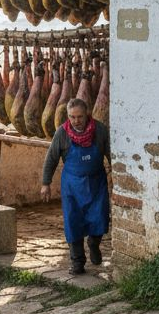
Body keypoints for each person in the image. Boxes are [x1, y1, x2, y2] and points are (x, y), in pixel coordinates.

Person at [40, 97, 110, 275]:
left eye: (79, 116)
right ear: (68, 116)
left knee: (100, 218)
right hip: (72, 186)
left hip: (97, 183)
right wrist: (45, 183)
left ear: (87, 114)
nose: (76, 121)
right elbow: (51, 158)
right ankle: (77, 261)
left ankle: (94, 244)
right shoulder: (61, 134)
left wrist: (117, 177)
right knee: (73, 222)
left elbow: (111, 154)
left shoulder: (100, 130)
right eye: (72, 117)